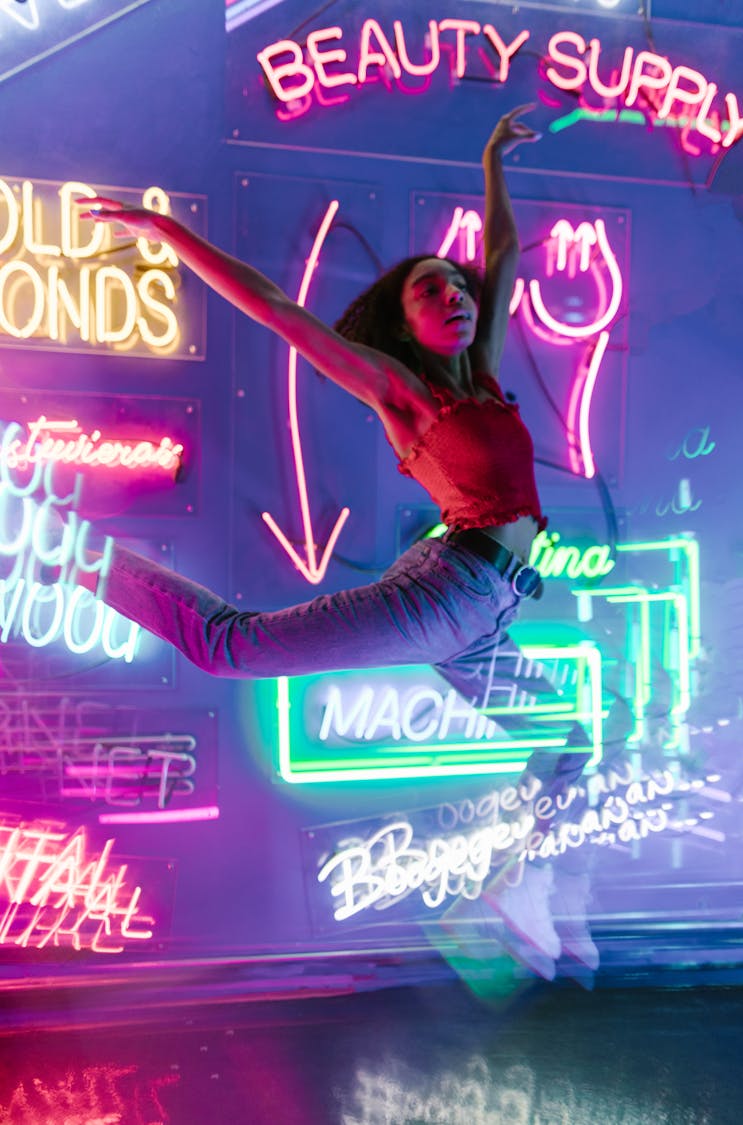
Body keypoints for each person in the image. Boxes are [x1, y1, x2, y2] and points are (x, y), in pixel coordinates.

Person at [70, 106, 594, 972]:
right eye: (428, 290)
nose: (453, 295)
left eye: (453, 285)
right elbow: (276, 308)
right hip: (448, 592)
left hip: (487, 611)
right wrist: (169, 233)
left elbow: (499, 255)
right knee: (228, 645)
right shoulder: (399, 389)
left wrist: (492, 156)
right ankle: (69, 552)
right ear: (402, 325)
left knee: (568, 744)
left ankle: (516, 881)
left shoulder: (486, 381)